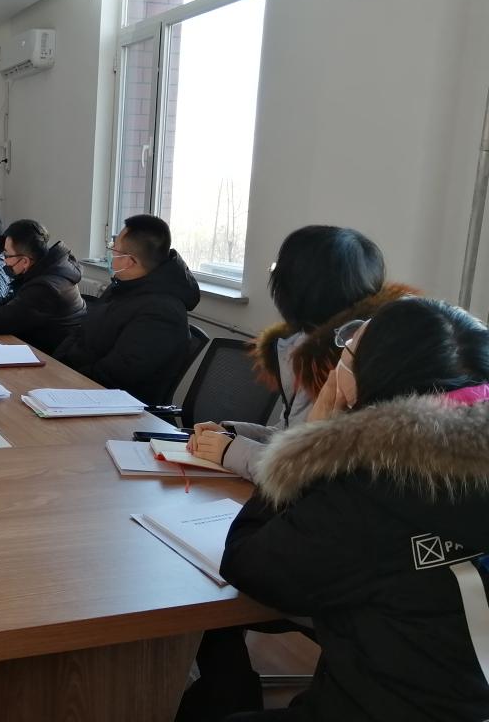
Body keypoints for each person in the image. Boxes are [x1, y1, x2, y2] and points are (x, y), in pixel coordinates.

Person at [175, 225, 417, 722]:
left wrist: (233, 451)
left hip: (344, 566)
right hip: (351, 558)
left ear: (293, 286)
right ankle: (221, 686)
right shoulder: (329, 345)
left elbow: (310, 469)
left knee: (205, 573)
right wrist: (235, 433)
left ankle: (220, 691)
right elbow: (296, 437)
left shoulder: (354, 363)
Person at [220, 297, 489, 722]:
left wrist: (309, 441)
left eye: (348, 352)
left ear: (364, 380)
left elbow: (248, 563)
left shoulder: (372, 487)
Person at [53, 215, 200, 404]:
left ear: (130, 261)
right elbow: (80, 332)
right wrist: (57, 367)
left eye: (113, 249)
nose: (110, 254)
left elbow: (115, 376)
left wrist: (65, 382)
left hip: (114, 406)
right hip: (75, 387)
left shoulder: (162, 313)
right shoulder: (122, 287)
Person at [0, 219, 85, 354]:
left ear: (24, 261)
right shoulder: (41, 271)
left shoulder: (46, 287)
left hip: (52, 358)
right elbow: (7, 301)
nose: (4, 261)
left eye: (6, 255)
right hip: (34, 345)